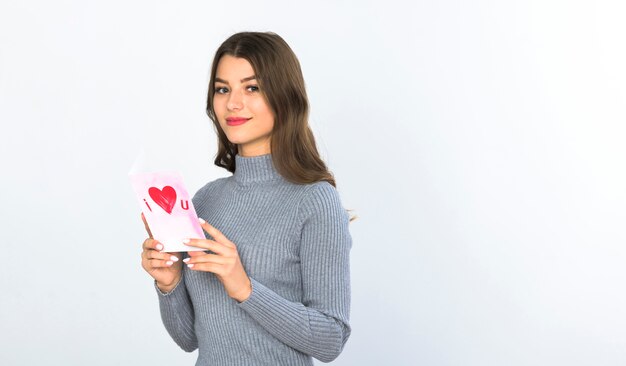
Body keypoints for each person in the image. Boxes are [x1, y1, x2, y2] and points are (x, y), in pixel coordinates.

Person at [140, 31, 352, 365]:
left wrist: (244, 288)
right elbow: (190, 339)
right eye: (222, 89)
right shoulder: (205, 200)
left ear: (284, 96)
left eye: (251, 87)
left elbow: (330, 340)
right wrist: (169, 283)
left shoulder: (314, 201)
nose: (232, 103)